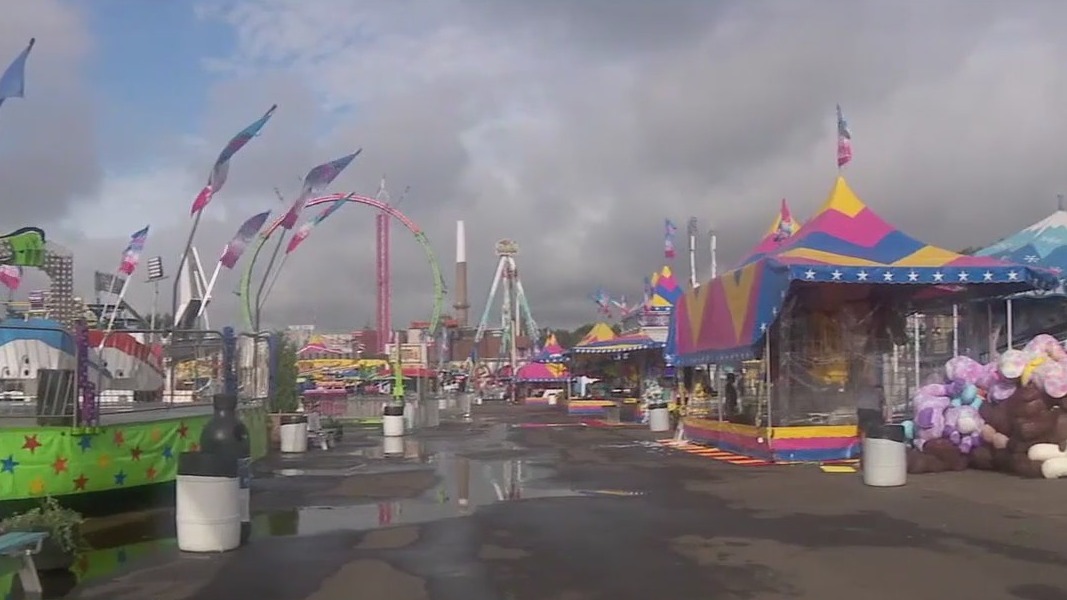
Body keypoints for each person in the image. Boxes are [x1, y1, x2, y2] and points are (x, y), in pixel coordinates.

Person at [854, 363, 885, 435]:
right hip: (868, 410)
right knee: (866, 429)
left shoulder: (877, 389)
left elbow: (882, 402)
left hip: (870, 410)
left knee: (866, 429)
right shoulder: (864, 385)